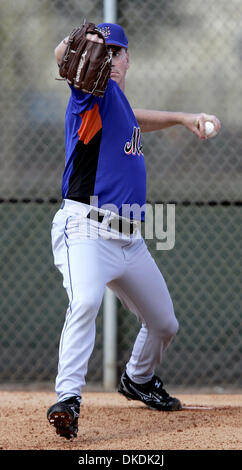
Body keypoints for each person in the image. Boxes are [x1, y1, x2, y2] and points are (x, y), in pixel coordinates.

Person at [47, 23, 220, 439]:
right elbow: (60, 56)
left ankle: (138, 379)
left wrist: (182, 118)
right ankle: (68, 399)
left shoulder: (119, 106)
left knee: (164, 324)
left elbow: (137, 118)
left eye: (117, 51)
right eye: (102, 52)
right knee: (86, 302)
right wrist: (70, 48)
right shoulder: (87, 97)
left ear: (128, 59)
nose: (109, 58)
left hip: (130, 240)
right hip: (85, 230)